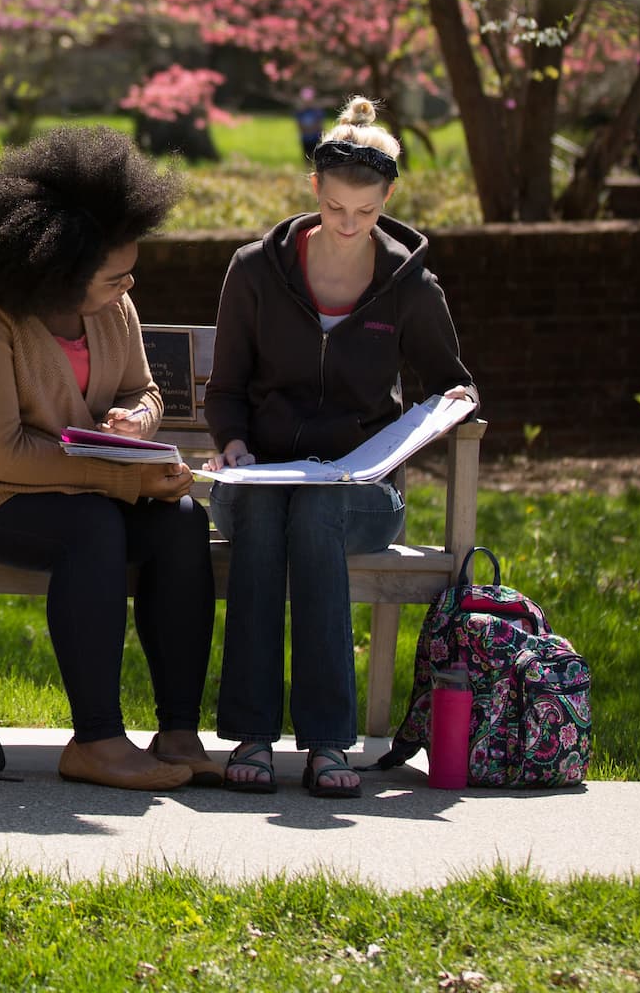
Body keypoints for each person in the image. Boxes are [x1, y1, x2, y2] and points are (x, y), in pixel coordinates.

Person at [0, 127, 215, 792]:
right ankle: (97, 740)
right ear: (53, 271)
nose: (128, 285)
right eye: (114, 276)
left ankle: (180, 731)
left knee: (182, 518)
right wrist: (124, 481)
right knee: (92, 528)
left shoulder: (111, 305)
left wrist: (139, 420)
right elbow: (1, 452)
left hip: (73, 482)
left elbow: (142, 388)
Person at [205, 96, 474, 797]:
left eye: (366, 212)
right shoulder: (255, 272)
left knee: (316, 514)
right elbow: (227, 387)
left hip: (362, 495)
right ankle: (254, 735)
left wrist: (433, 419)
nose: (350, 226)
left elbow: (455, 387)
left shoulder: (410, 287)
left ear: (388, 198)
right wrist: (233, 444)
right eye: (335, 209)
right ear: (314, 191)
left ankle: (328, 743)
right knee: (272, 514)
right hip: (261, 481)